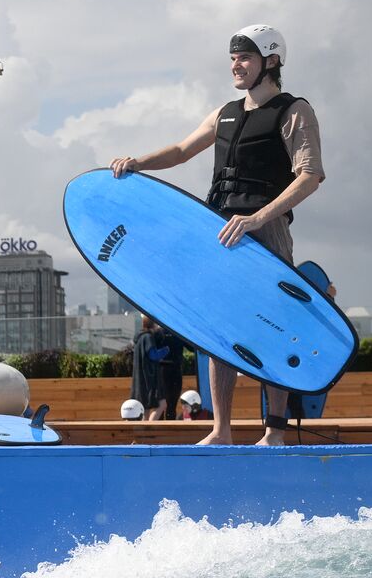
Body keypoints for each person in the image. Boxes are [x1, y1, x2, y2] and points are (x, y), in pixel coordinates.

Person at [109, 24, 324, 446]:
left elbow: (310, 176)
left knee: (272, 327)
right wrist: (138, 163)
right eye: (232, 57)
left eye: (244, 57)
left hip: (266, 228)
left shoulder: (293, 111)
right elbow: (180, 150)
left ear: (272, 61)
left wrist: (259, 217)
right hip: (219, 230)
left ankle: (274, 432)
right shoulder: (225, 113)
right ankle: (221, 429)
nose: (235, 65)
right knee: (218, 329)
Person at [130, 315, 170, 422]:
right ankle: (148, 429)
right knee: (162, 405)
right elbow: (153, 355)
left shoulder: (139, 338)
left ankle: (143, 436)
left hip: (141, 381)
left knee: (145, 410)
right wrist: (166, 350)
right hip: (149, 380)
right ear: (153, 324)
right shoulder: (148, 337)